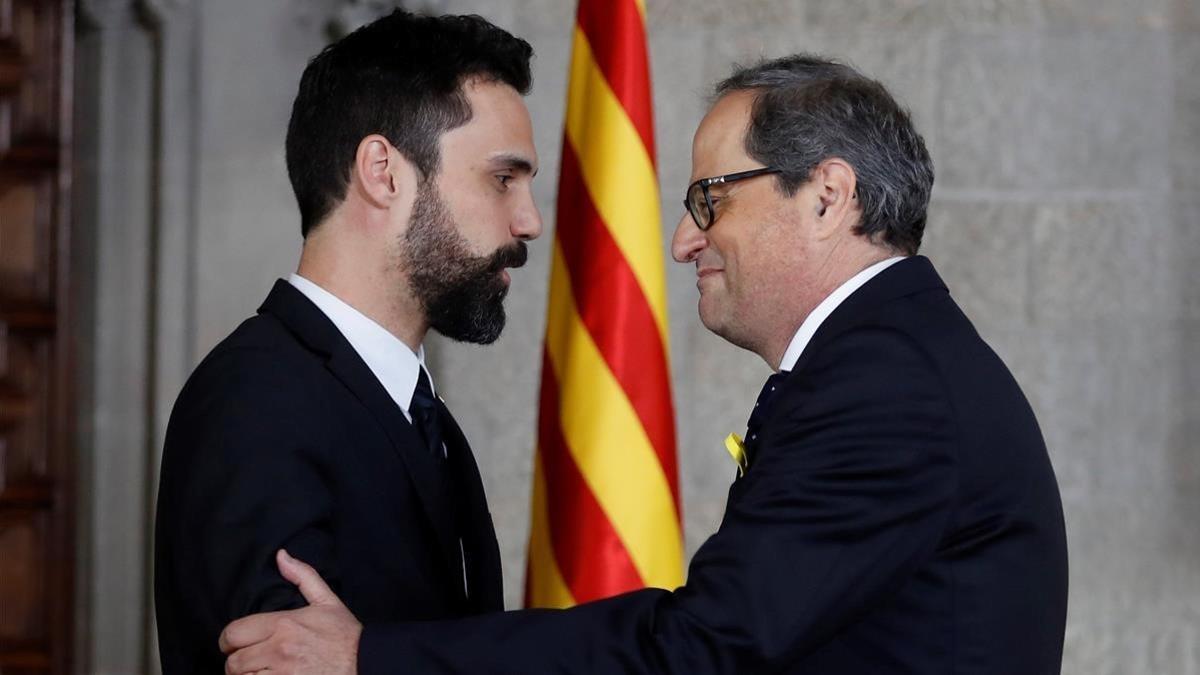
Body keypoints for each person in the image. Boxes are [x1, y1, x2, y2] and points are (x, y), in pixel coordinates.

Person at [219, 54, 1069, 675]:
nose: (682, 239)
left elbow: (703, 647)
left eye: (711, 198)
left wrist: (371, 655)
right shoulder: (894, 361)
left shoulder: (887, 386)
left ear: (826, 194)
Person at [153, 10, 542, 674]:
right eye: (502, 178)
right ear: (383, 172)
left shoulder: (425, 417)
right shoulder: (255, 402)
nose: (529, 221)